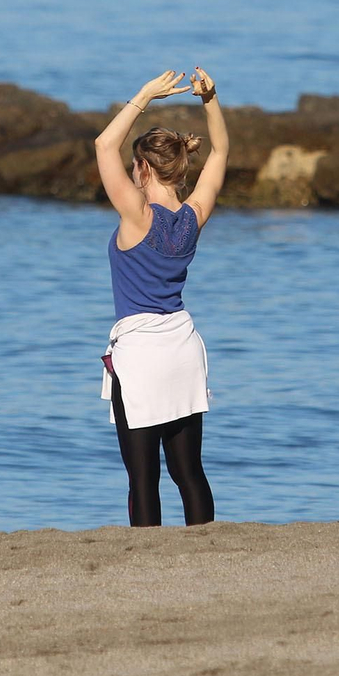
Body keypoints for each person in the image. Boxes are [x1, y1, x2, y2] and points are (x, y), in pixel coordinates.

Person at [93, 68, 228, 526]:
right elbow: (223, 150)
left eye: (136, 167)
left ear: (144, 168)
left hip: (141, 356)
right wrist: (210, 98)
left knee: (143, 479)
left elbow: (102, 145)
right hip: (184, 347)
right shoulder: (194, 216)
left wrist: (144, 96)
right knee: (190, 473)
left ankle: (146, 561)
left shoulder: (137, 215)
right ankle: (206, 549)